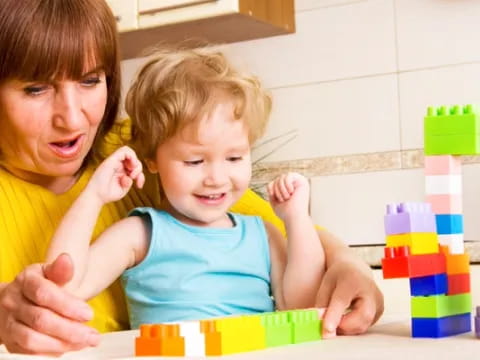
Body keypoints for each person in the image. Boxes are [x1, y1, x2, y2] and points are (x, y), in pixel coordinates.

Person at [0, 0, 383, 356]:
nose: (72, 117)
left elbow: (275, 233)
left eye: (89, 81)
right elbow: (64, 283)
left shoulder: (133, 149)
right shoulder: (135, 175)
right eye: (36, 89)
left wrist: (349, 264)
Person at [45, 47, 326, 330]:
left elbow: (303, 305)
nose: (216, 178)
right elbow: (64, 289)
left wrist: (297, 219)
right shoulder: (142, 234)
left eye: (234, 158)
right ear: (152, 160)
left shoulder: (263, 236)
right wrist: (94, 196)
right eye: (194, 161)